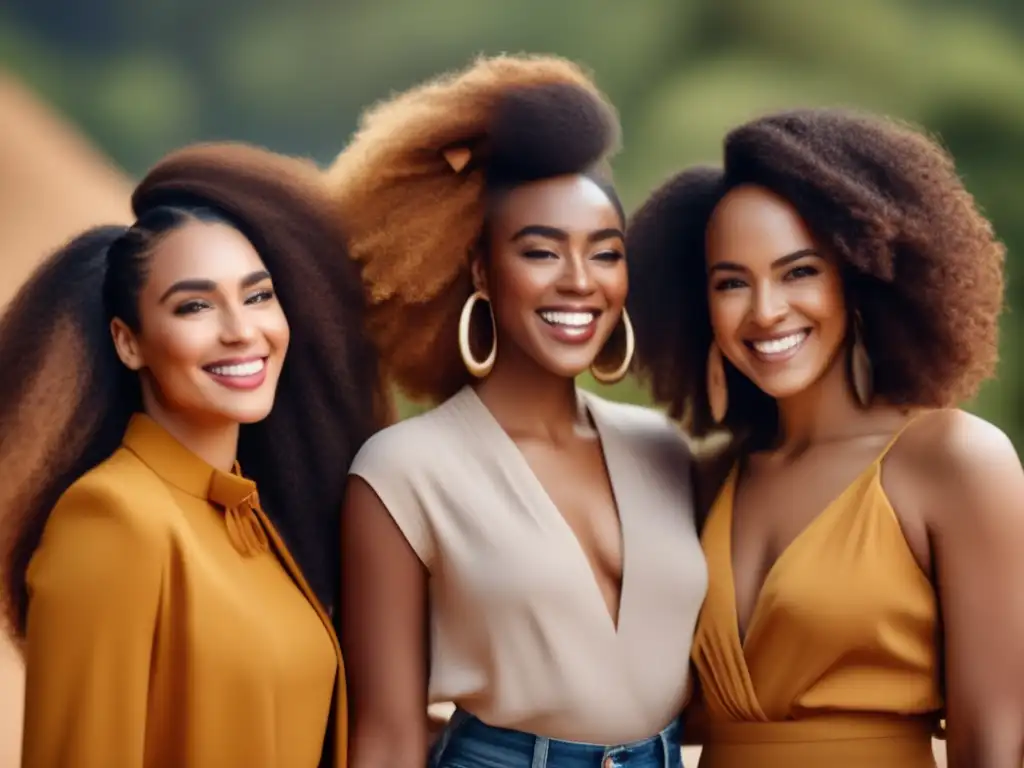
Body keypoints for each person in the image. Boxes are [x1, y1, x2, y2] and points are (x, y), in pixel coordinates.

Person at [327, 54, 708, 768]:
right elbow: (387, 731)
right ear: (480, 268)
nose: (579, 282)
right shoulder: (404, 473)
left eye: (605, 254)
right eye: (541, 252)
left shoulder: (662, 449)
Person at [625, 107, 1024, 768]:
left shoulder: (953, 463)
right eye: (732, 283)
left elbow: (997, 746)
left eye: (799, 271)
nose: (765, 310)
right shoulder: (708, 479)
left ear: (859, 275)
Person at [0, 142, 385, 768]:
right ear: (129, 343)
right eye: (195, 305)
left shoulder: (246, 516)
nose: (241, 330)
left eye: (258, 296)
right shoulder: (111, 518)